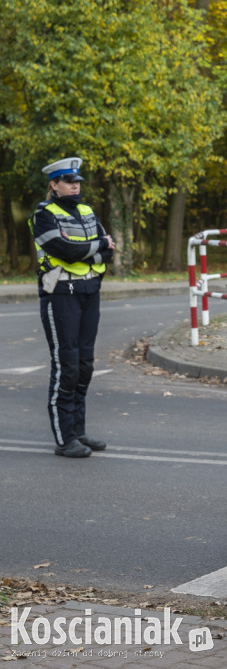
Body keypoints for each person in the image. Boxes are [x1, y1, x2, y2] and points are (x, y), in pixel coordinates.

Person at [30, 157, 115, 458]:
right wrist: (97, 247)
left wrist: (90, 252)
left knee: (84, 366)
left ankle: (78, 431)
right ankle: (65, 439)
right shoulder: (44, 215)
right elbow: (64, 250)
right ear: (54, 185)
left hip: (90, 291)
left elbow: (109, 251)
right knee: (66, 365)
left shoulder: (88, 211)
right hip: (60, 295)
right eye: (68, 181)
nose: (75, 185)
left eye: (77, 181)